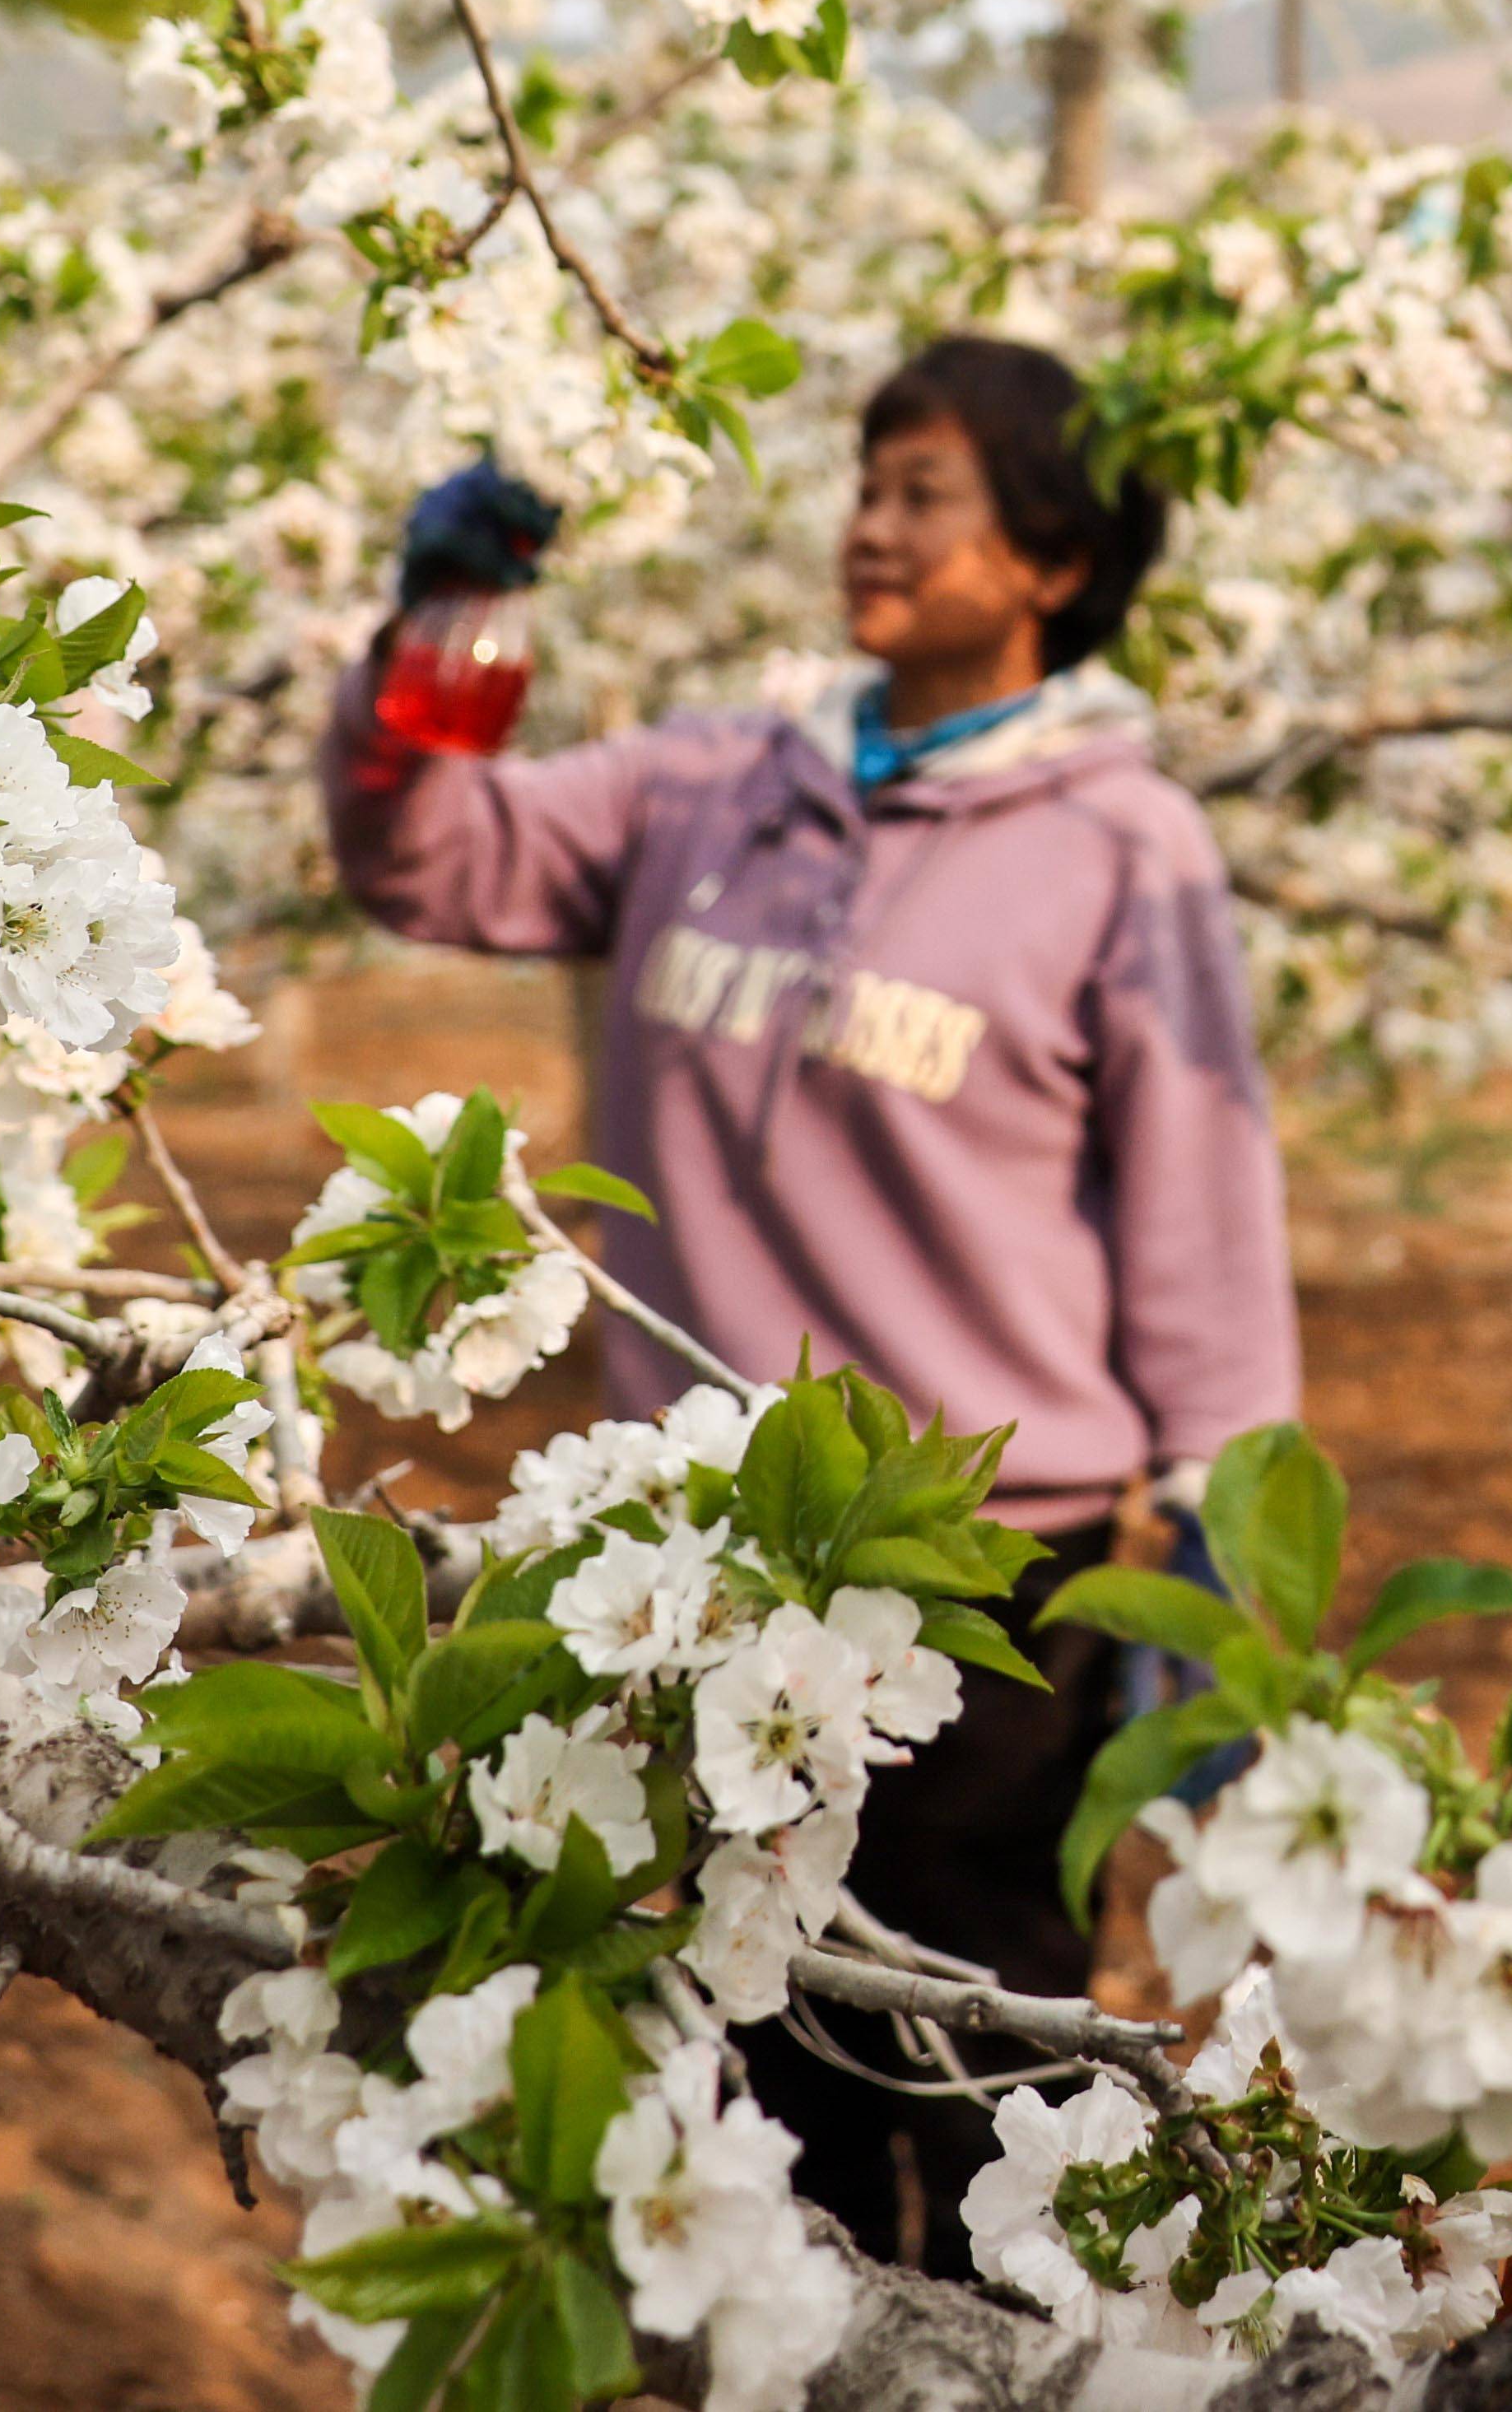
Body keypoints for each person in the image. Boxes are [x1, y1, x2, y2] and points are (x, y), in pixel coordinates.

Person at [319, 335, 1299, 2261]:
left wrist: (1216, 1529)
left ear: (1051, 559)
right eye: (867, 480)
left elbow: (1200, 1209)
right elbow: (427, 854)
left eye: (927, 491)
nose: (871, 522)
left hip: (977, 1569)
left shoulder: (1121, 845)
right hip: (708, 1542)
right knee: (760, 2076)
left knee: (989, 2057)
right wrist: (449, 626)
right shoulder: (714, 781)